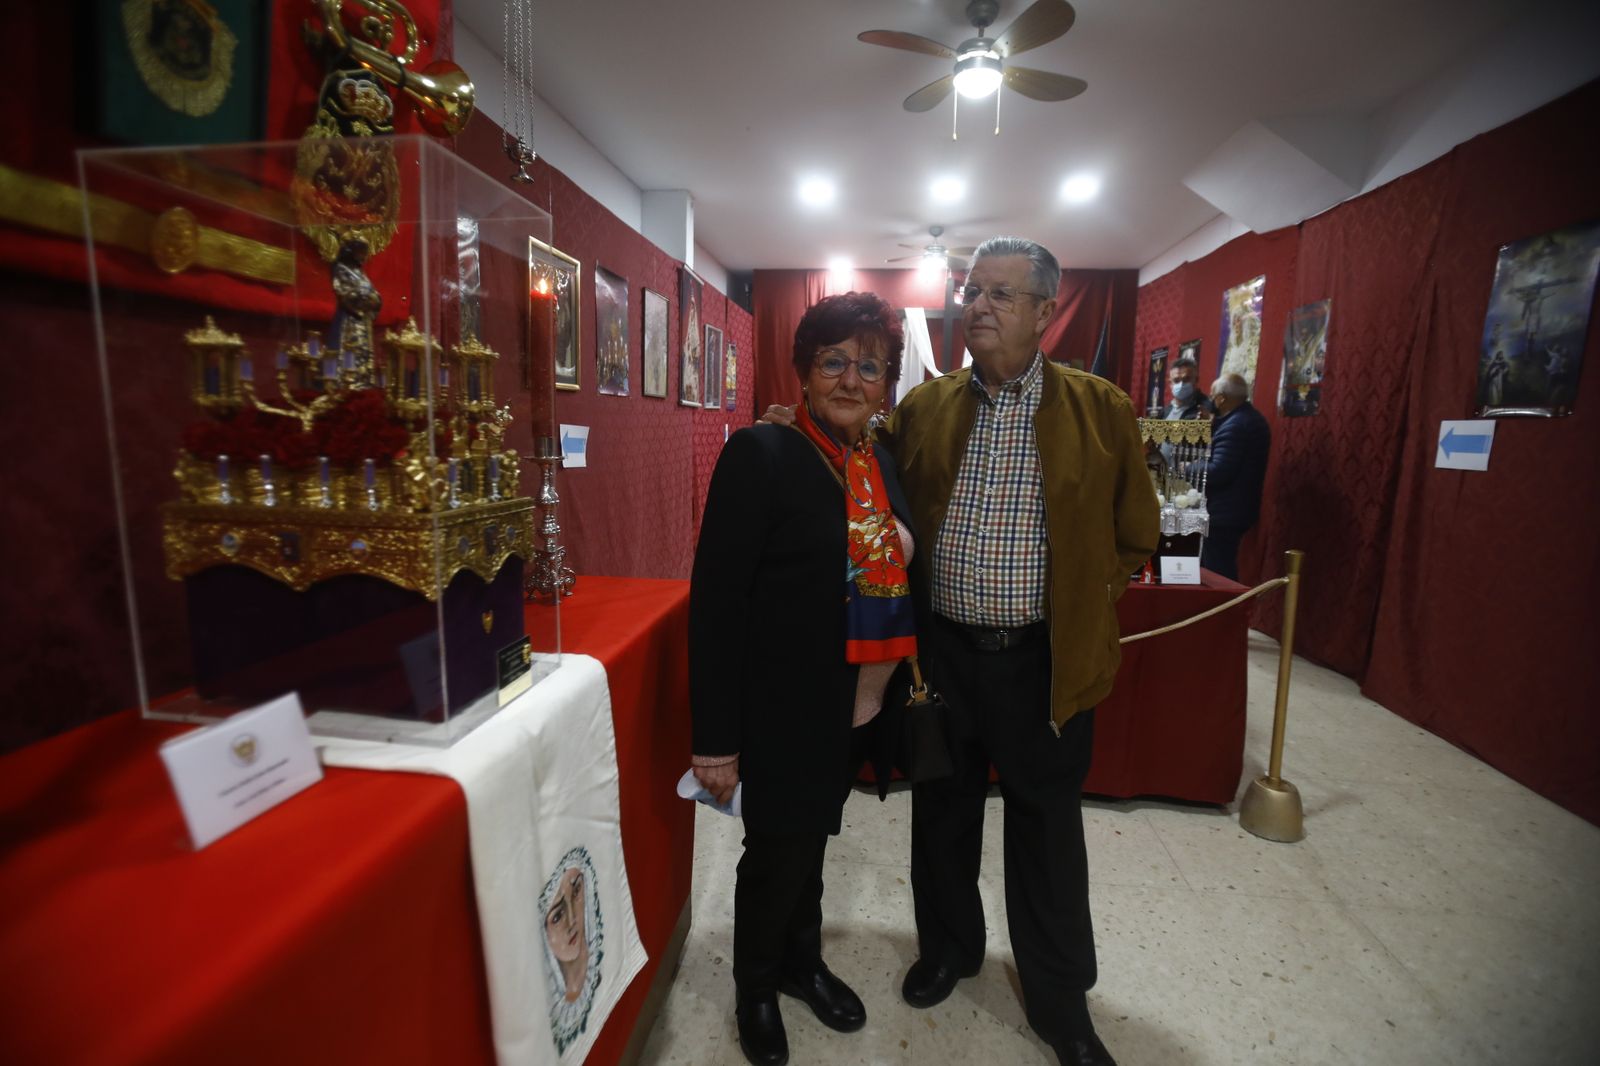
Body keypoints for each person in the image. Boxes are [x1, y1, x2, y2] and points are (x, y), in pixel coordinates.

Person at [765, 237, 1158, 1066]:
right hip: (941, 657)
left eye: (1002, 294)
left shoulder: (1101, 410)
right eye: (972, 290)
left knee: (1047, 834)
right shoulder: (928, 406)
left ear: (1047, 311)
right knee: (942, 816)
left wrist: (1085, 601)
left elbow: (1134, 534)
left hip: (1047, 664)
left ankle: (1059, 1004)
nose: (977, 305)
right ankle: (948, 950)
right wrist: (788, 433)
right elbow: (859, 466)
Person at [691, 291, 918, 1066]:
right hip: (778, 703)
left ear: (886, 383)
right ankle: (755, 985)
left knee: (814, 839)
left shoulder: (874, 460)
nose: (852, 379)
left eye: (870, 367)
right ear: (804, 371)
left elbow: (899, 545)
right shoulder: (761, 454)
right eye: (834, 363)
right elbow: (717, 604)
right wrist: (714, 739)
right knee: (777, 851)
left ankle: (801, 961)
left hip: (848, 701)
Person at [1192, 373, 1271, 580]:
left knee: (1217, 572)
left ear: (1222, 398)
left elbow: (1219, 470)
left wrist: (1187, 467)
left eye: (1212, 396)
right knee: (1215, 565)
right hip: (1234, 508)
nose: (1211, 400)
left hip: (1225, 513)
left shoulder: (1236, 425)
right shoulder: (1245, 419)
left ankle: (1221, 610)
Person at [1161, 354, 1213, 420]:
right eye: (1176, 380)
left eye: (1186, 379)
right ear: (1170, 383)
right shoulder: (1165, 411)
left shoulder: (1206, 408)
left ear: (1196, 380)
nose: (1181, 384)